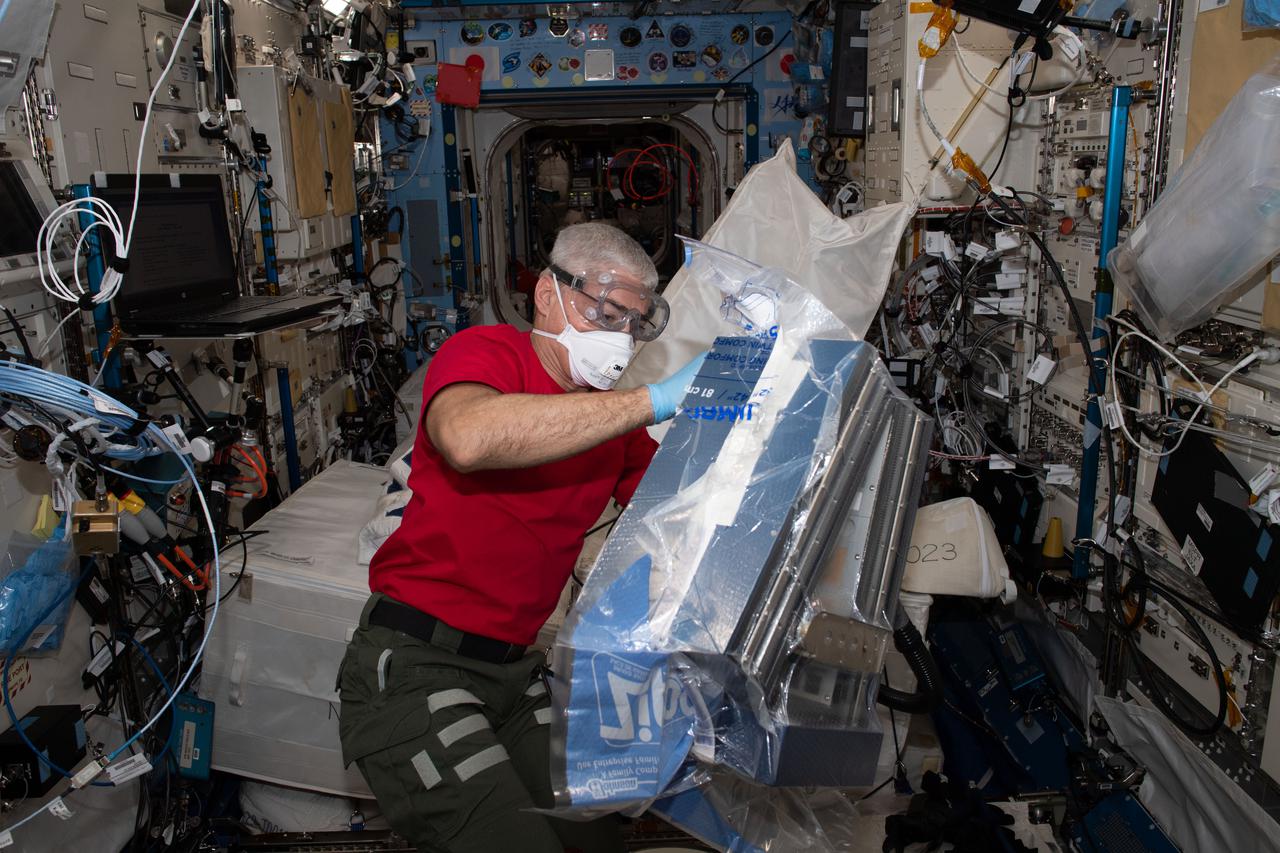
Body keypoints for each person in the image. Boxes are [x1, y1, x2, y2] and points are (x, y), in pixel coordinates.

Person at [337, 223, 705, 853]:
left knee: (596, 840)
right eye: (607, 313)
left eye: (633, 326)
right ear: (546, 294)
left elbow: (677, 507)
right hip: (416, 664)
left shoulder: (607, 421)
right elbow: (470, 438)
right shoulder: (487, 354)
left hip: (514, 673)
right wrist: (654, 399)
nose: (619, 338)